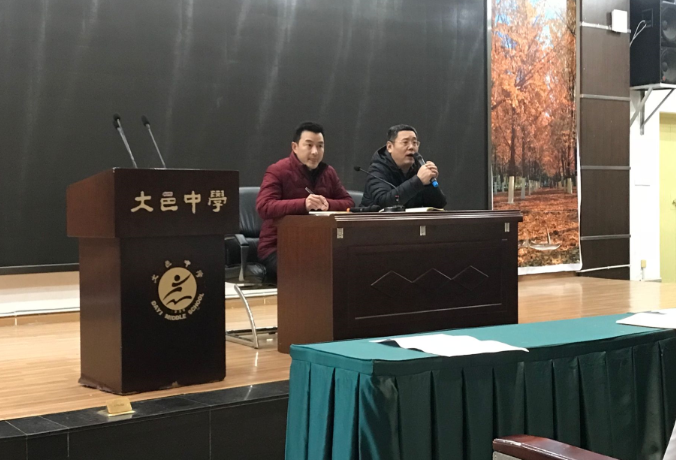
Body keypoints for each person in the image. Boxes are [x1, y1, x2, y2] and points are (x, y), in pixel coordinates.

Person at [256, 121, 354, 282]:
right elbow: (264, 206)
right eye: (309, 145)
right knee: (308, 274)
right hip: (279, 247)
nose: (315, 152)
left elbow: (349, 203)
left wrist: (328, 204)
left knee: (349, 269)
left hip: (318, 245)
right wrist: (304, 204)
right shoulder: (278, 170)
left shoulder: (328, 172)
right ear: (294, 147)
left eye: (320, 146)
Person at [360, 124, 447, 209]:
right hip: (374, 218)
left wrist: (429, 182)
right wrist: (418, 181)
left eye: (415, 143)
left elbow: (439, 204)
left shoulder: (419, 168)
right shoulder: (377, 169)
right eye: (405, 142)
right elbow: (384, 203)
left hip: (410, 219)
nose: (411, 147)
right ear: (389, 147)